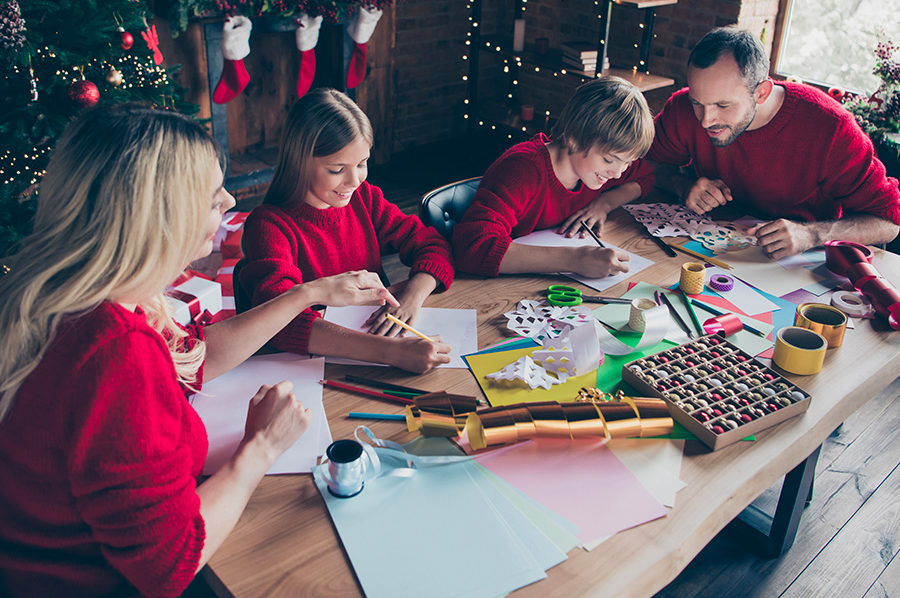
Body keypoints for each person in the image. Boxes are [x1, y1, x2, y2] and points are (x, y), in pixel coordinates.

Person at [0, 105, 398, 598]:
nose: (230, 201)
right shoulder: (113, 352)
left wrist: (306, 293)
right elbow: (169, 565)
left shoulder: (72, 294)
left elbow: (195, 357)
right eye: (213, 199)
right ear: (157, 218)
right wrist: (262, 446)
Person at [237, 88, 455, 373]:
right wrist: (390, 352)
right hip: (314, 372)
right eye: (337, 169)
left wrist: (412, 296)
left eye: (362, 164)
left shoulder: (365, 198)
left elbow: (433, 245)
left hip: (378, 345)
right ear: (299, 163)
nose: (354, 180)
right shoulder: (269, 226)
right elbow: (278, 323)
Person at [648, 26, 900, 259]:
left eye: (723, 105)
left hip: (799, 264)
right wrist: (682, 185)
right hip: (706, 248)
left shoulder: (830, 127)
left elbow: (888, 221)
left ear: (762, 92)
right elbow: (646, 163)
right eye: (697, 102)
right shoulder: (682, 108)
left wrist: (812, 234)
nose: (705, 120)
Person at [452, 76, 656, 277]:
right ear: (575, 138)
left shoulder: (597, 167)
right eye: (609, 160)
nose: (618, 173)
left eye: (627, 162)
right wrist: (574, 260)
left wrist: (605, 203)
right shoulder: (522, 170)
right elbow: (471, 247)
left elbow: (645, 178)